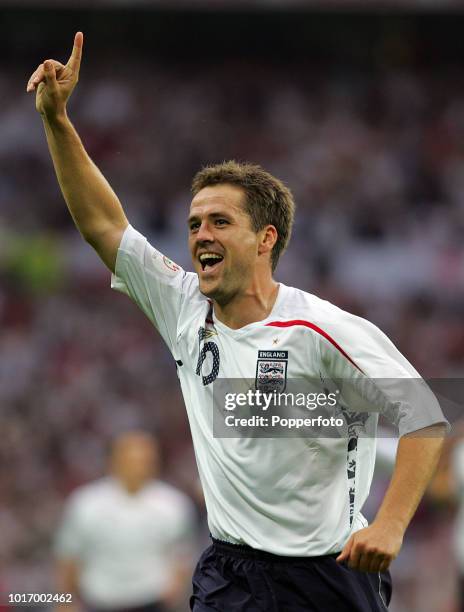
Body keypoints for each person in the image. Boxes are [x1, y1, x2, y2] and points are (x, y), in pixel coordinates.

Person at [27, 32, 448, 611]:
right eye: (195, 222)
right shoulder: (182, 304)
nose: (201, 234)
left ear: (265, 239)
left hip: (326, 577)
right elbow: (105, 225)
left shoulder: (322, 329)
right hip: (230, 575)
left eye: (220, 222)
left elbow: (424, 414)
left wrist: (392, 526)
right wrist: (57, 121)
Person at [54, 431, 196, 612]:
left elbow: (181, 556)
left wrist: (172, 593)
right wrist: (66, 602)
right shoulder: (86, 503)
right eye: (132, 459)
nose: (139, 466)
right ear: (114, 461)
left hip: (151, 601)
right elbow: (69, 556)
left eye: (145, 460)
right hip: (98, 602)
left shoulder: (173, 504)